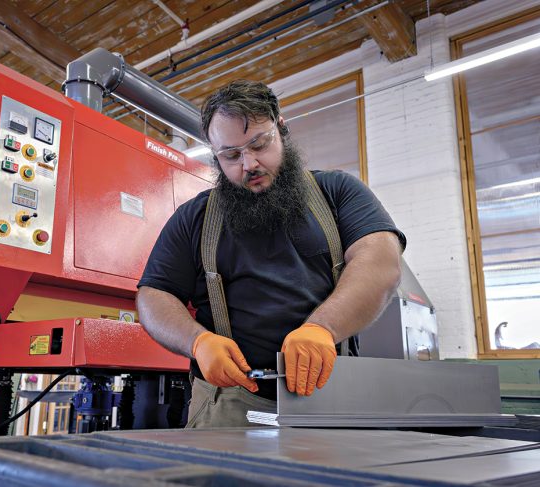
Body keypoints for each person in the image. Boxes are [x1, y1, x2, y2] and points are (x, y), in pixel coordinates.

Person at [136, 80, 405, 427]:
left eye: (259, 144)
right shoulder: (194, 218)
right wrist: (197, 341)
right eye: (231, 155)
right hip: (228, 406)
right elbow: (153, 295)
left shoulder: (338, 193)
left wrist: (323, 328)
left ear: (281, 128)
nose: (249, 164)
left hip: (333, 397)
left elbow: (380, 262)